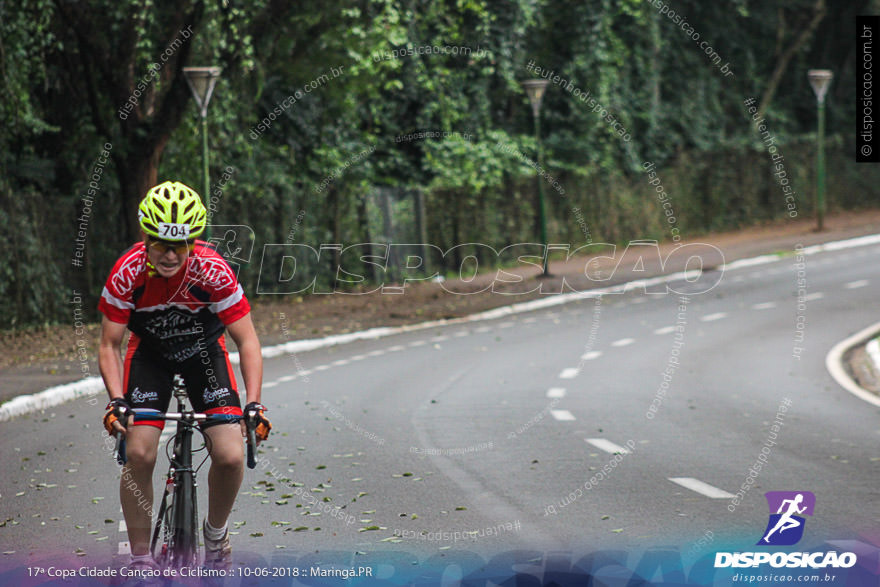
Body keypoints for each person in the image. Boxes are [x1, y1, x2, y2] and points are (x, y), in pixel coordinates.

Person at [98, 181, 271, 573]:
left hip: (204, 356)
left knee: (229, 454)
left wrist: (254, 403)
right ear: (146, 238)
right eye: (161, 244)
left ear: (195, 240)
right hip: (150, 357)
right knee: (140, 451)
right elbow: (109, 344)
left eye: (182, 244)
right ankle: (141, 559)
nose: (172, 254)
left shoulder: (213, 271)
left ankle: (215, 534)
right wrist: (116, 400)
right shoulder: (127, 273)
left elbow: (247, 341)